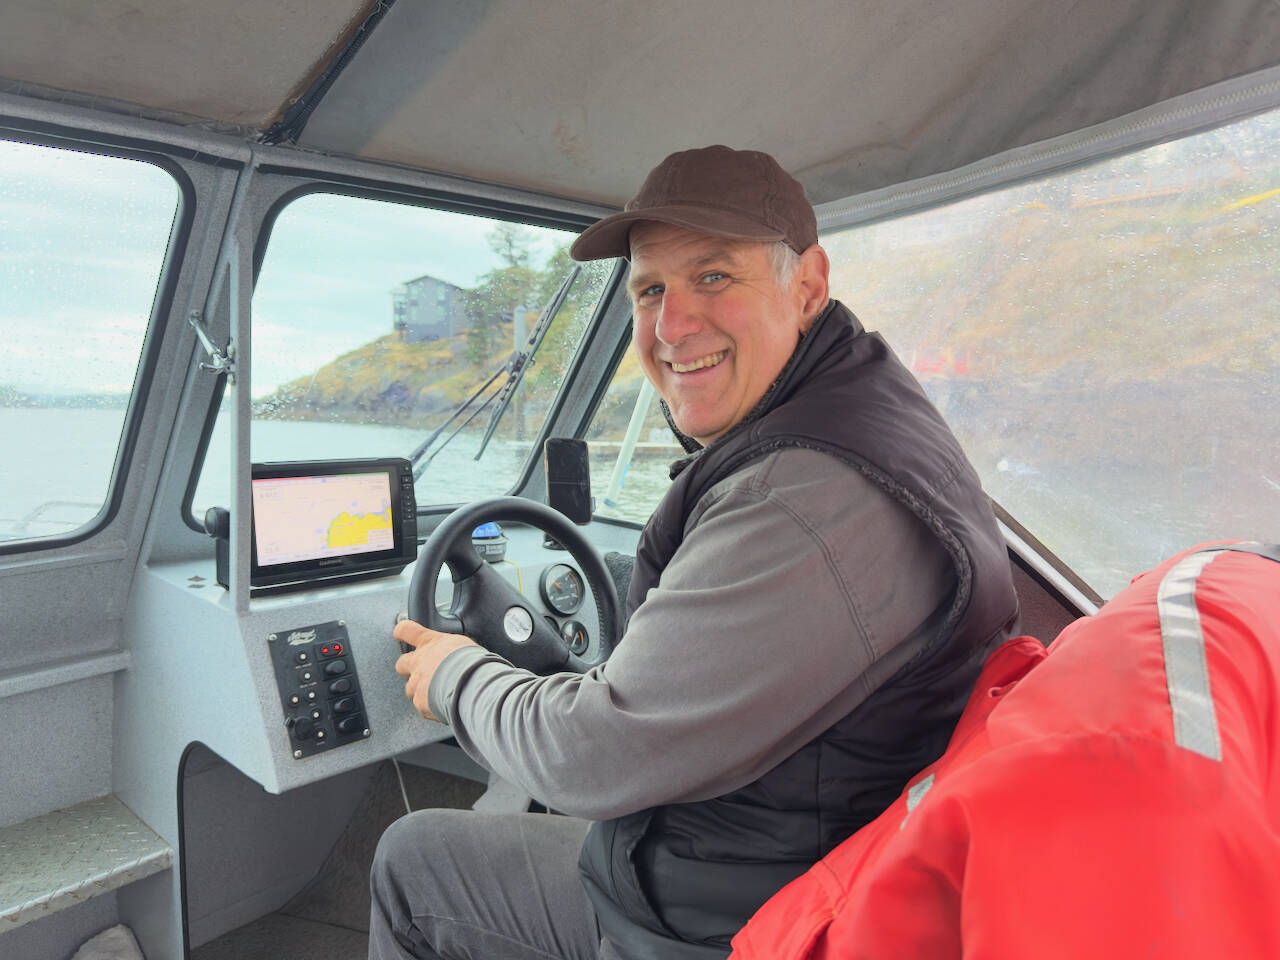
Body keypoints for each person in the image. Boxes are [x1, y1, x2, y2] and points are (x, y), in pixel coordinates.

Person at [370, 145, 1020, 960]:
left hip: (730, 925)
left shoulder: (798, 498)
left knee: (413, 860)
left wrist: (457, 676)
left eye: (714, 277)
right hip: (790, 863)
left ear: (808, 285)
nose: (673, 326)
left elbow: (592, 758)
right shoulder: (867, 408)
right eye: (651, 290)